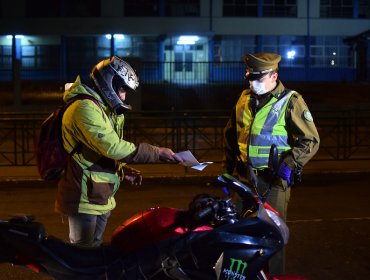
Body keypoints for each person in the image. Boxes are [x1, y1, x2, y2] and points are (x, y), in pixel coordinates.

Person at [55, 55, 182, 247]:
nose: (123, 95)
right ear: (109, 82)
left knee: (95, 251)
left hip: (98, 194)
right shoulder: (84, 108)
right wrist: (157, 152)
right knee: (82, 255)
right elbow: (113, 147)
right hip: (83, 196)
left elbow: (100, 151)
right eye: (122, 89)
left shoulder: (102, 108)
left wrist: (122, 170)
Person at [222, 52, 320, 275]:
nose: (252, 83)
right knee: (238, 234)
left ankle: (274, 277)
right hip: (244, 178)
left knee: (272, 239)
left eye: (258, 79)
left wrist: (290, 164)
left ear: (274, 75)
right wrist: (226, 171)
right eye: (250, 78)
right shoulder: (244, 99)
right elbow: (230, 136)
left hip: (273, 181)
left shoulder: (290, 101)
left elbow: (311, 140)